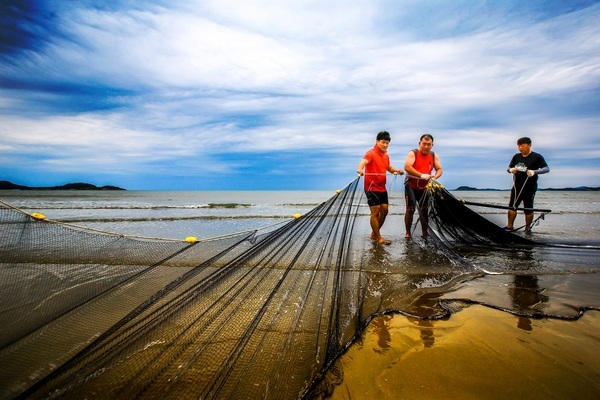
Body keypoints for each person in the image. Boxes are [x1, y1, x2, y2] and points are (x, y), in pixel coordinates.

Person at [357, 131, 404, 245]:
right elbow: (363, 162)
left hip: (382, 187)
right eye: (383, 142)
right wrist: (360, 169)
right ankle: (379, 238)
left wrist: (397, 171)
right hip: (371, 187)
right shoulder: (371, 153)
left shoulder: (386, 156)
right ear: (377, 141)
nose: (385, 145)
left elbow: (388, 167)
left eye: (387, 143)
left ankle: (374, 233)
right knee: (375, 211)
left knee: (385, 210)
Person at [504, 137, 549, 233]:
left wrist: (535, 172)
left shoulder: (537, 157)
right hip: (517, 186)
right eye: (519, 146)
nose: (520, 148)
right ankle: (509, 226)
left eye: (523, 145)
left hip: (530, 187)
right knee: (512, 206)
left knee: (528, 207)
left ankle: (527, 228)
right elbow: (509, 168)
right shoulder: (516, 157)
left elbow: (546, 168)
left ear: (529, 145)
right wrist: (510, 170)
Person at [403, 134, 442, 238]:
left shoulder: (433, 155)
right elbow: (407, 167)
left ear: (432, 145)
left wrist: (435, 177)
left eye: (429, 145)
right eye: (424, 144)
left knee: (424, 209)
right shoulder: (413, 153)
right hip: (411, 185)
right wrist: (421, 175)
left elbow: (439, 169)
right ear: (419, 143)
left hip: (425, 187)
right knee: (410, 209)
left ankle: (425, 233)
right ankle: (408, 232)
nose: (426, 147)